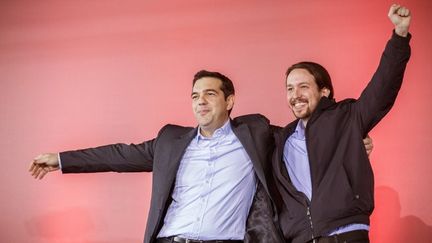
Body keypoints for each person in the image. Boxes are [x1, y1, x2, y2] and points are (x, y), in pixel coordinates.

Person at [29, 70, 284, 243]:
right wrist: (62, 159)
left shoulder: (255, 133)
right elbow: (119, 155)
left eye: (210, 94)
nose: (201, 101)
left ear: (229, 101)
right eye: (195, 96)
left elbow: (304, 139)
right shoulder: (171, 141)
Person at [272, 4, 411, 243]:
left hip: (345, 235)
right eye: (290, 89)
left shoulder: (347, 117)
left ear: (324, 91)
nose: (295, 95)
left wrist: (399, 37)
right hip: (302, 238)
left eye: (304, 87)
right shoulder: (279, 139)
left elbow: (382, 89)